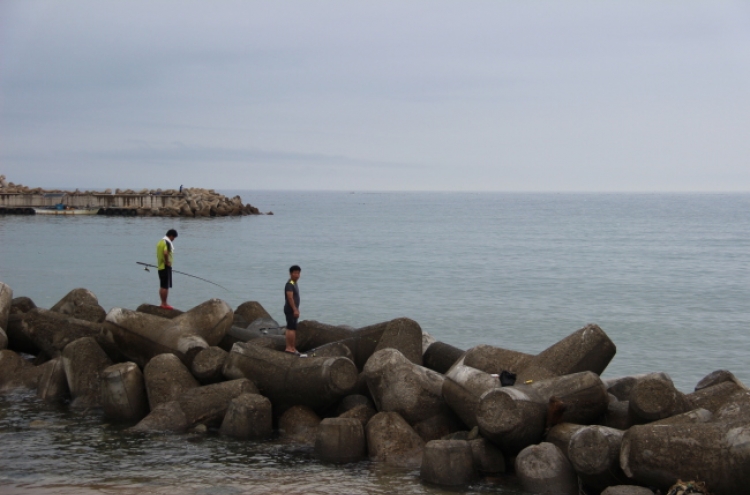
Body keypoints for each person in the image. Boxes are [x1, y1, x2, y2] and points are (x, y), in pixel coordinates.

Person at [284, 265, 306, 356]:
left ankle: (292, 347)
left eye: (298, 273)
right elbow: (290, 298)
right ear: (290, 273)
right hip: (290, 309)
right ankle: (290, 348)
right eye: (295, 273)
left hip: (293, 309)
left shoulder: (294, 283)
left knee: (292, 328)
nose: (297, 275)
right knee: (291, 329)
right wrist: (295, 309)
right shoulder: (289, 284)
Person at [156, 229, 178, 310]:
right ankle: (164, 303)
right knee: (165, 286)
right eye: (174, 237)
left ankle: (162, 302)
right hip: (165, 267)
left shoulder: (160, 242)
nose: (173, 239)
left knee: (162, 286)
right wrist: (167, 262)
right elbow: (165, 253)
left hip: (160, 266)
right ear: (171, 235)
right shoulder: (167, 242)